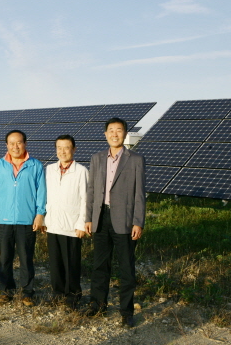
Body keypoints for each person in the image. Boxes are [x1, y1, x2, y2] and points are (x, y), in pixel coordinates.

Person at [84, 117, 146, 328]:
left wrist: (138, 222)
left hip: (125, 220)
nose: (114, 134)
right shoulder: (97, 158)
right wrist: (89, 218)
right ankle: (97, 304)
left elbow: (139, 194)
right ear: (105, 134)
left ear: (125, 134)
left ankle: (126, 311)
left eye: (119, 130)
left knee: (127, 267)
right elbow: (91, 190)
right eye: (111, 130)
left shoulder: (135, 159)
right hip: (101, 218)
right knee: (100, 265)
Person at [0, 130, 46, 307]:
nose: (15, 146)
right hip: (4, 219)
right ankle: (5, 291)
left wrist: (39, 214)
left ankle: (27, 292)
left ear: (25, 144)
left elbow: (41, 192)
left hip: (27, 220)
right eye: (11, 143)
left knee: (26, 258)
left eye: (19, 142)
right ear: (6, 145)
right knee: (5, 258)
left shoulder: (35, 165)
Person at [43, 135, 88, 310]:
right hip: (53, 223)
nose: (62, 151)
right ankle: (58, 293)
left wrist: (81, 223)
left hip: (72, 225)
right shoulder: (49, 169)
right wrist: (45, 218)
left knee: (71, 263)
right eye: (59, 148)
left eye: (66, 147)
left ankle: (73, 295)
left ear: (74, 149)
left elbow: (85, 199)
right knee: (55, 263)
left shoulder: (81, 171)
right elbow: (46, 196)